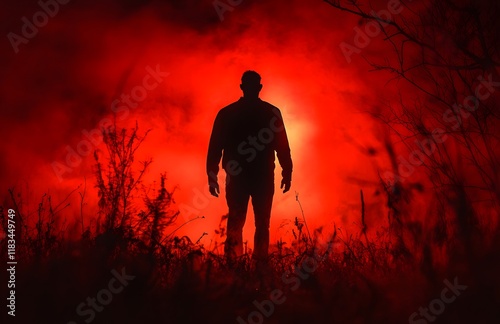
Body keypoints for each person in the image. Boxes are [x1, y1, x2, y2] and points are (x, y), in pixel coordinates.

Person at [206, 70, 293, 265]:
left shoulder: (227, 113)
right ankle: (257, 265)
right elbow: (283, 146)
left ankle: (234, 264)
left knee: (237, 222)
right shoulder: (271, 112)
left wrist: (212, 175)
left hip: (239, 177)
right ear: (258, 87)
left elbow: (215, 147)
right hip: (260, 177)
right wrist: (287, 171)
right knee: (260, 224)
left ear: (242, 87)